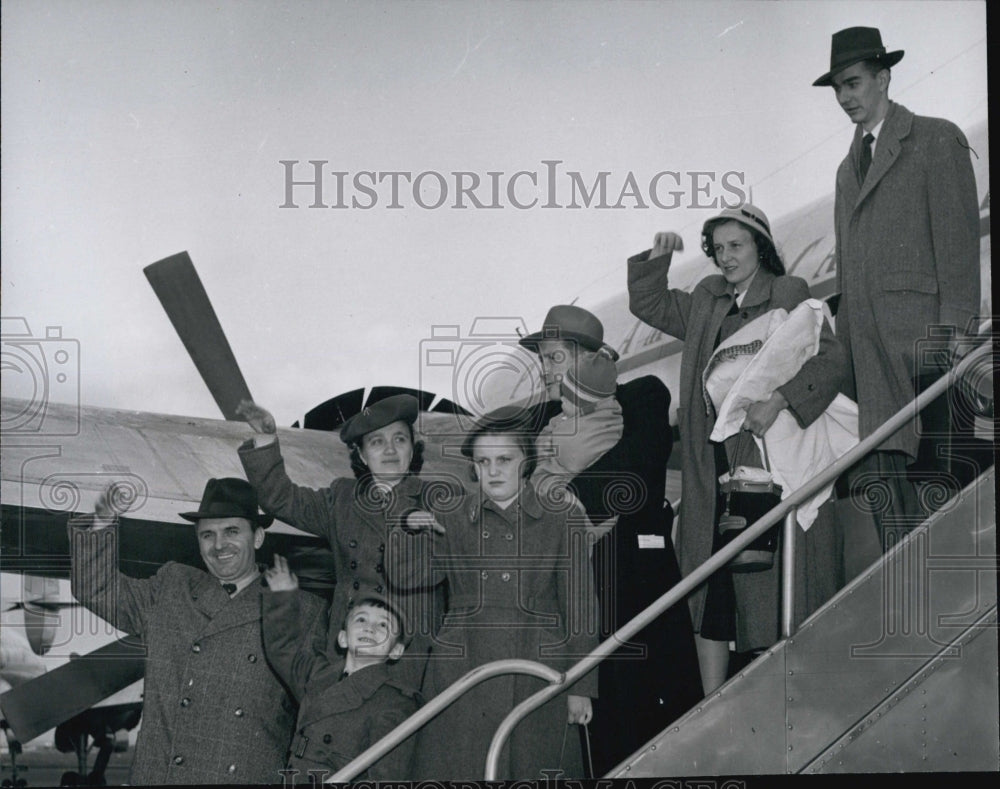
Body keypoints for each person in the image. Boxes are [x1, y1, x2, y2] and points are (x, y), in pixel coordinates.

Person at [627, 204, 847, 694]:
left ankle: (781, 693)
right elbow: (650, 304)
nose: (726, 257)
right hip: (713, 466)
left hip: (766, 456)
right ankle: (713, 704)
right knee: (712, 590)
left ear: (761, 247)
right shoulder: (707, 302)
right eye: (718, 248)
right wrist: (658, 256)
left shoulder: (789, 293)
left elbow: (832, 361)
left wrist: (782, 399)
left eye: (736, 246)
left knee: (765, 582)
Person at [813, 26, 981, 546]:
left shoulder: (935, 137)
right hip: (871, 358)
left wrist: (955, 336)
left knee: (945, 485)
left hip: (926, 349)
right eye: (838, 87)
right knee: (889, 498)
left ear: (883, 77)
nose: (845, 97)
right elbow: (849, 270)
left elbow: (958, 246)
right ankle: (904, 601)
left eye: (854, 83)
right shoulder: (846, 169)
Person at [518, 305, 702, 776]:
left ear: (587, 357)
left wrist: (560, 492)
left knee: (662, 722)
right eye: (543, 360)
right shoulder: (542, 424)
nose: (545, 370)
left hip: (639, 585)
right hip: (579, 594)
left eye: (555, 358)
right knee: (603, 730)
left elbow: (634, 471)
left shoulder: (643, 394)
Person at [68, 477, 324, 785]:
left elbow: (320, 716)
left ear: (257, 537)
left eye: (232, 531)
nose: (219, 545)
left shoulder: (302, 609)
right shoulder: (172, 587)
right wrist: (102, 522)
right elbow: (97, 589)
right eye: (207, 535)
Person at [387, 408, 598, 780]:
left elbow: (580, 608)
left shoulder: (563, 518)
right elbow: (405, 576)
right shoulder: (451, 515)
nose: (493, 470)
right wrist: (408, 530)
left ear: (527, 461)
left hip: (538, 669)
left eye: (505, 459)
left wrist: (581, 685)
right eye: (483, 461)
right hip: (462, 668)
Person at [237, 394, 446, 692]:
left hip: (411, 661)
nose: (389, 449)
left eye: (399, 439)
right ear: (361, 455)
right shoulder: (342, 499)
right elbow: (280, 499)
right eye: (376, 442)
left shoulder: (442, 500)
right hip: (347, 655)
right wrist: (265, 436)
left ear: (413, 448)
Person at [262, 556, 419, 782]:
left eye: (384, 624)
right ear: (343, 638)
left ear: (396, 651)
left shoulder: (395, 703)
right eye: (361, 619)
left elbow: (386, 778)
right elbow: (283, 648)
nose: (370, 628)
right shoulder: (318, 675)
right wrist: (283, 596)